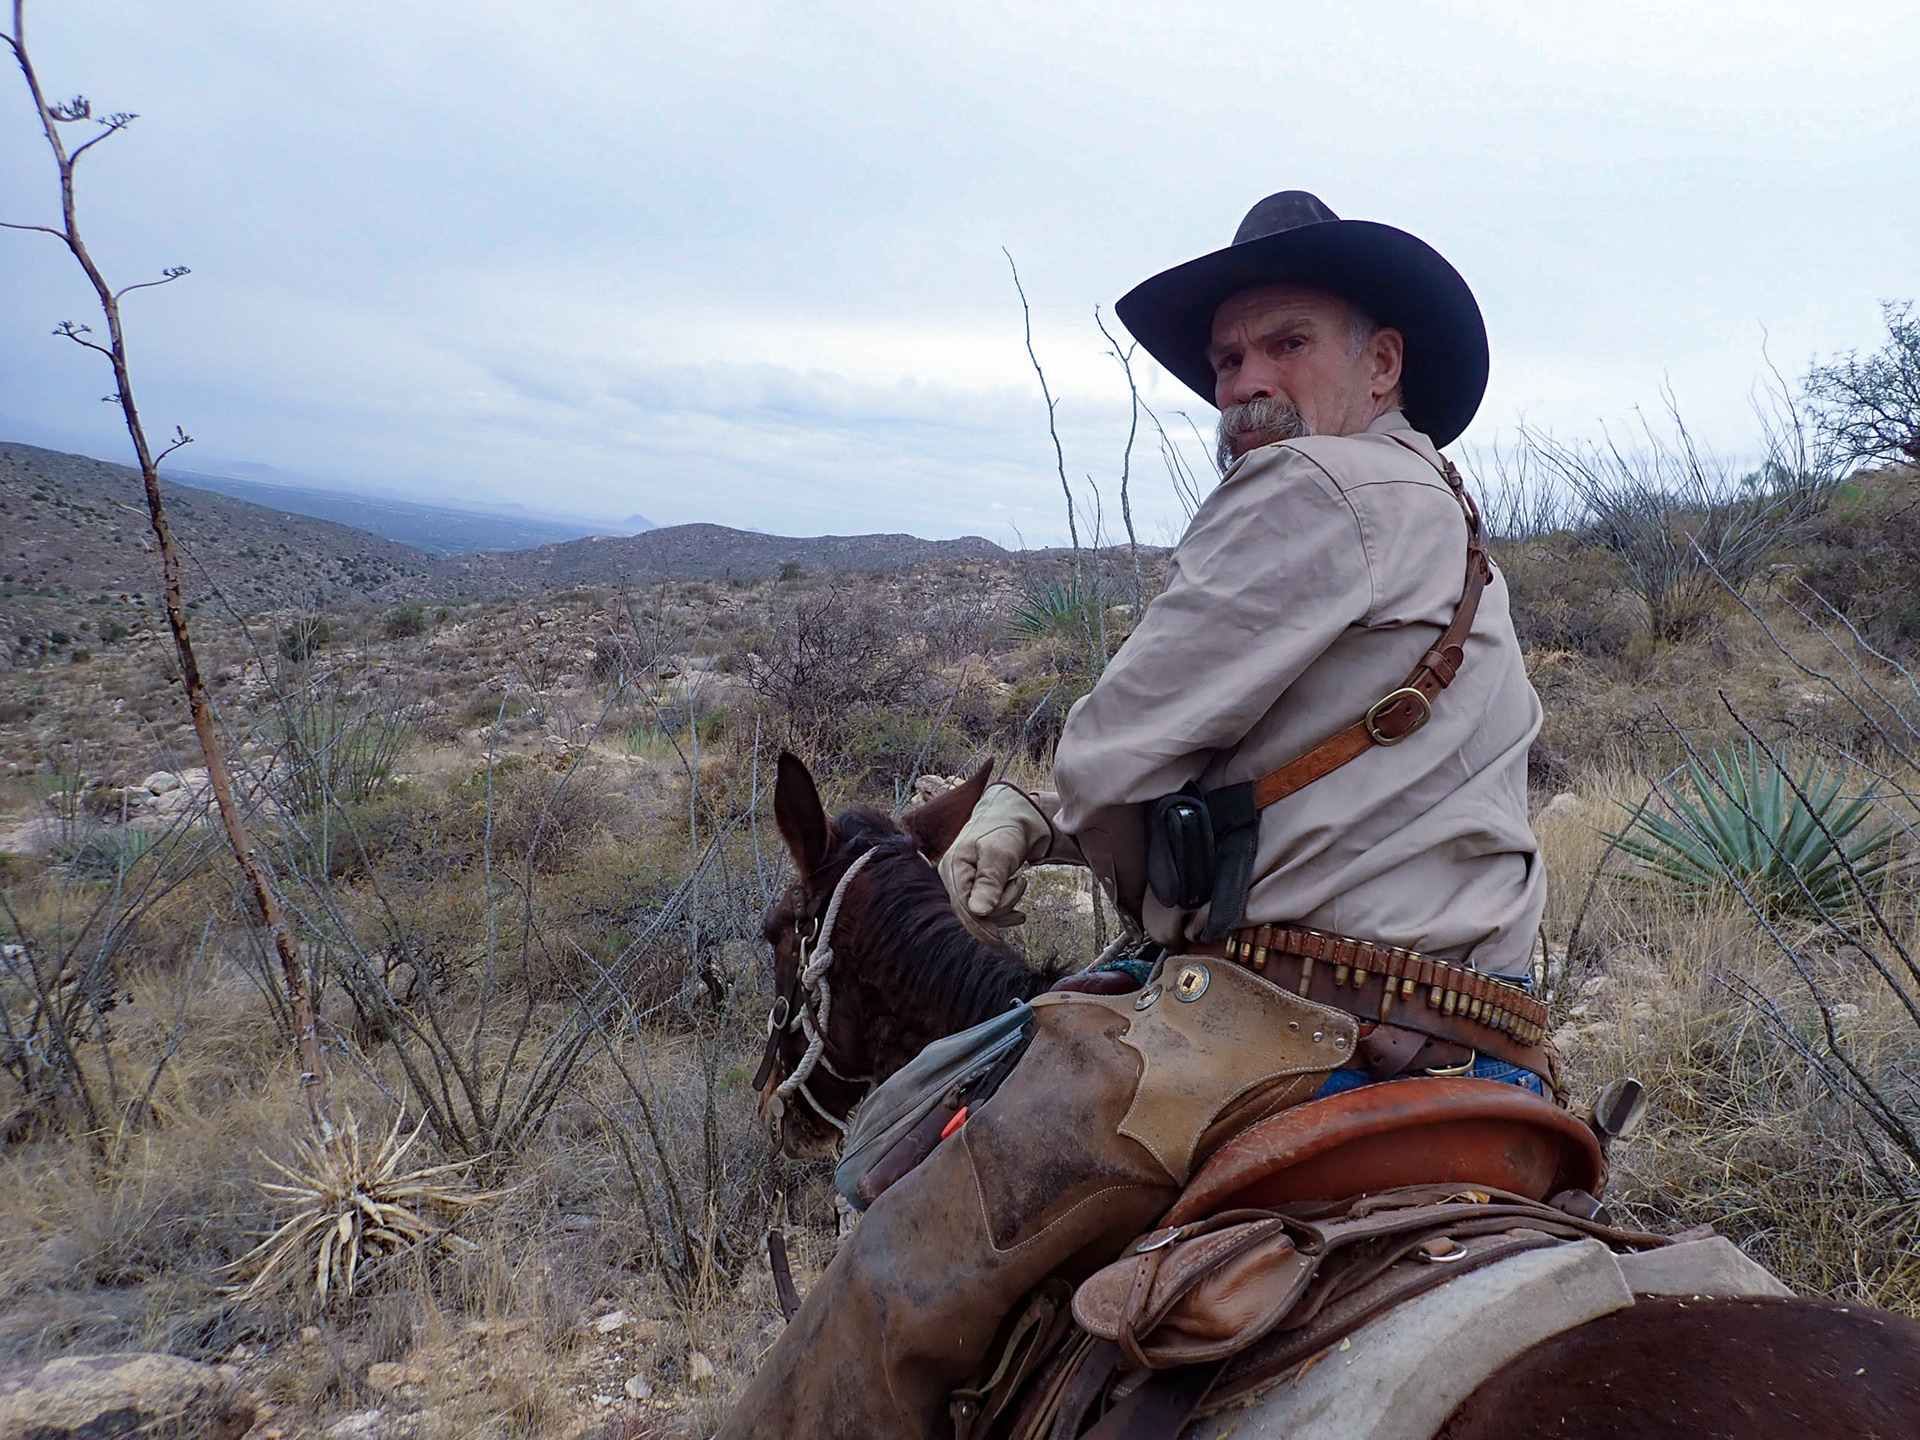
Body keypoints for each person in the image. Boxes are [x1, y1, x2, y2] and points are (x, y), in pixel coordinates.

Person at [716, 190, 1548, 1439]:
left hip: (1286, 1023)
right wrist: (1034, 813)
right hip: (1493, 1039)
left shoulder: (1311, 488)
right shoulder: (1449, 520)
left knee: (896, 1279)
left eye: (1287, 343)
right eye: (1227, 360)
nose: (1247, 384)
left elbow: (1114, 763)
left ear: (1382, 366)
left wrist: (1120, 873)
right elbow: (1274, 757)